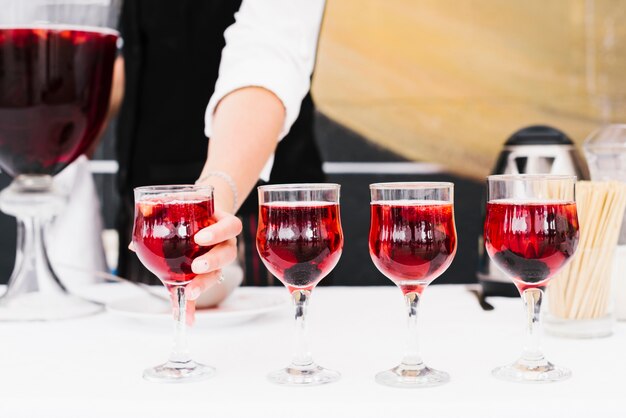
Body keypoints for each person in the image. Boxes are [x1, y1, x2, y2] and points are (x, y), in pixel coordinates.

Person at [106, 0, 327, 308]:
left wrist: (212, 201)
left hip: (256, 219)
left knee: (266, 349)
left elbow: (270, 50)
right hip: (148, 218)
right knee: (147, 348)